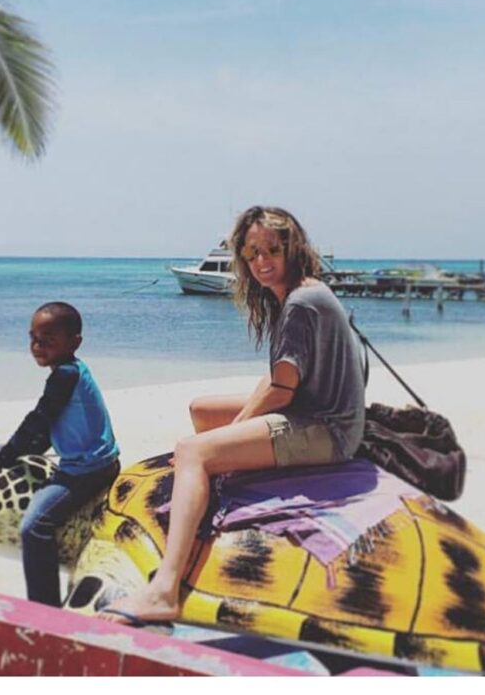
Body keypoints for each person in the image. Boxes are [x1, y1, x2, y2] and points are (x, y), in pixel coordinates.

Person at [100, 206, 367, 625]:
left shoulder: (300, 301)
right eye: (252, 253)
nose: (261, 262)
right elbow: (277, 379)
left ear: (292, 248)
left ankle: (164, 589)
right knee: (201, 411)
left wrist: (227, 437)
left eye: (271, 250)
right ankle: (208, 504)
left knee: (192, 453)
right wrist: (239, 423)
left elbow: (281, 391)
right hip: (314, 406)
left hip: (326, 427)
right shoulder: (300, 292)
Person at [0, 302, 120, 606]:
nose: (38, 346)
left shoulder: (65, 375)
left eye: (48, 340)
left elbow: (38, 420)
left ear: (74, 341)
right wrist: (22, 456)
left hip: (89, 469)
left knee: (34, 527)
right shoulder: (73, 369)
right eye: (33, 339)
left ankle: (44, 607)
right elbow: (46, 430)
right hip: (87, 462)